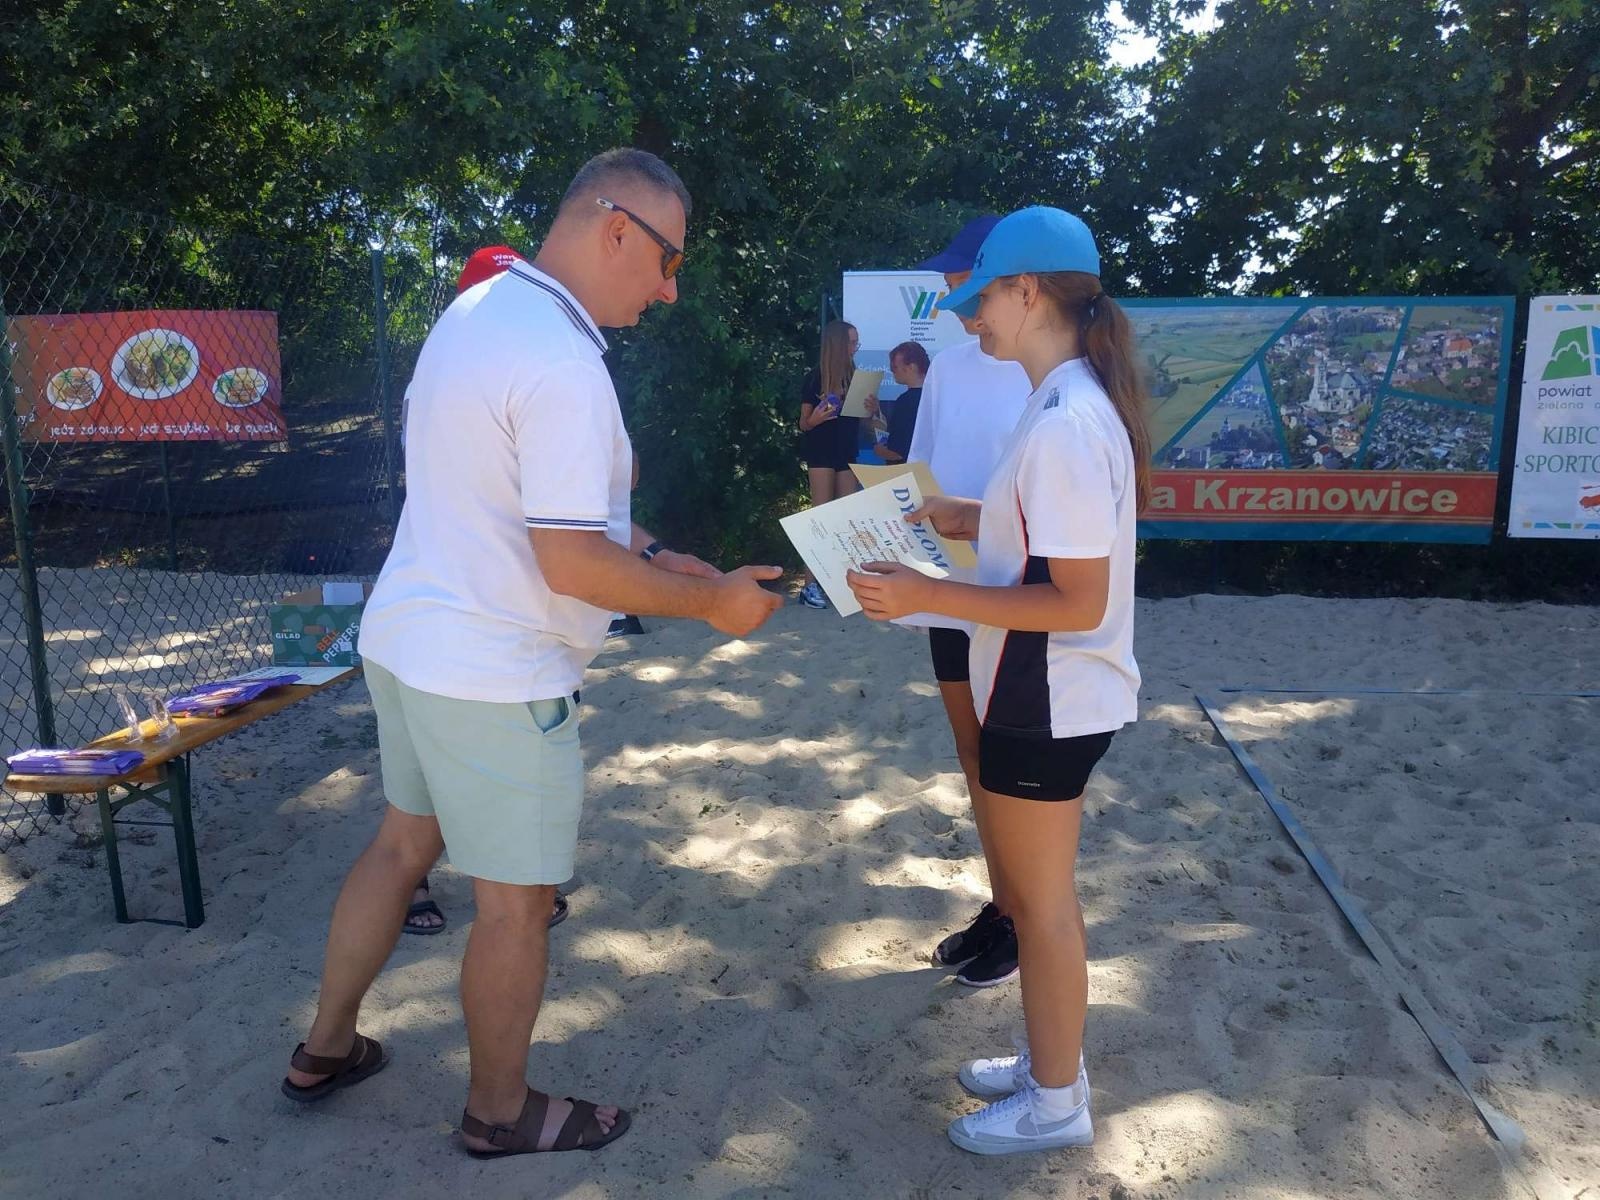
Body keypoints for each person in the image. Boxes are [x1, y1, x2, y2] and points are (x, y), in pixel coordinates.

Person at [281, 148, 784, 1158]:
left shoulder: (479, 312)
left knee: (398, 848)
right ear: (616, 231)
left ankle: (323, 1049)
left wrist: (655, 553)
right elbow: (566, 564)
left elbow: (528, 504)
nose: (669, 288)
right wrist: (710, 604)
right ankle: (500, 1113)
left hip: (409, 640)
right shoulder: (561, 360)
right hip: (495, 672)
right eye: (666, 260)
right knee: (516, 906)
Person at [847, 206, 1150, 1155]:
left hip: (1043, 693)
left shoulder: (1065, 418)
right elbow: (1048, 541)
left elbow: (1074, 601)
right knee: (1036, 893)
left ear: (1026, 290)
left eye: (981, 297)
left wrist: (929, 590)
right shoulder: (1066, 400)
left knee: (1043, 906)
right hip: (1046, 690)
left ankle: (1058, 1103)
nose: (968, 317)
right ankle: (1048, 1061)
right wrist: (969, 514)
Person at [403, 243, 568, 936]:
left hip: (425, 604)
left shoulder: (458, 358)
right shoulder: (491, 357)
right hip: (480, 611)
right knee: (460, 789)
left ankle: (329, 1041)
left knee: (408, 812)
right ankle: (513, 887)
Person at [903, 216, 1034, 987]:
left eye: (963, 281)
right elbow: (919, 480)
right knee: (974, 755)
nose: (954, 296)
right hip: (950, 591)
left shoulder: (1052, 372)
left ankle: (1024, 913)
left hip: (1019, 601)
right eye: (951, 283)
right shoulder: (949, 369)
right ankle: (1004, 905)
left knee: (1013, 762)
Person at [795, 319, 871, 608]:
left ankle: (840, 582)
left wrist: (871, 410)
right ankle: (809, 585)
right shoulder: (815, 378)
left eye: (857, 342)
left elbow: (864, 425)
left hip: (847, 452)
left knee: (844, 518)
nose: (855, 348)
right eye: (852, 342)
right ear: (838, 344)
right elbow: (804, 423)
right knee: (820, 517)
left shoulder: (856, 378)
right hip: (821, 453)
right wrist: (816, 418)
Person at [873, 341, 928, 464]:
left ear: (911, 367)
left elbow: (897, 452)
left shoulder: (905, 402)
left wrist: (879, 450)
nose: (892, 371)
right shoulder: (938, 397)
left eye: (894, 367)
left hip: (906, 473)